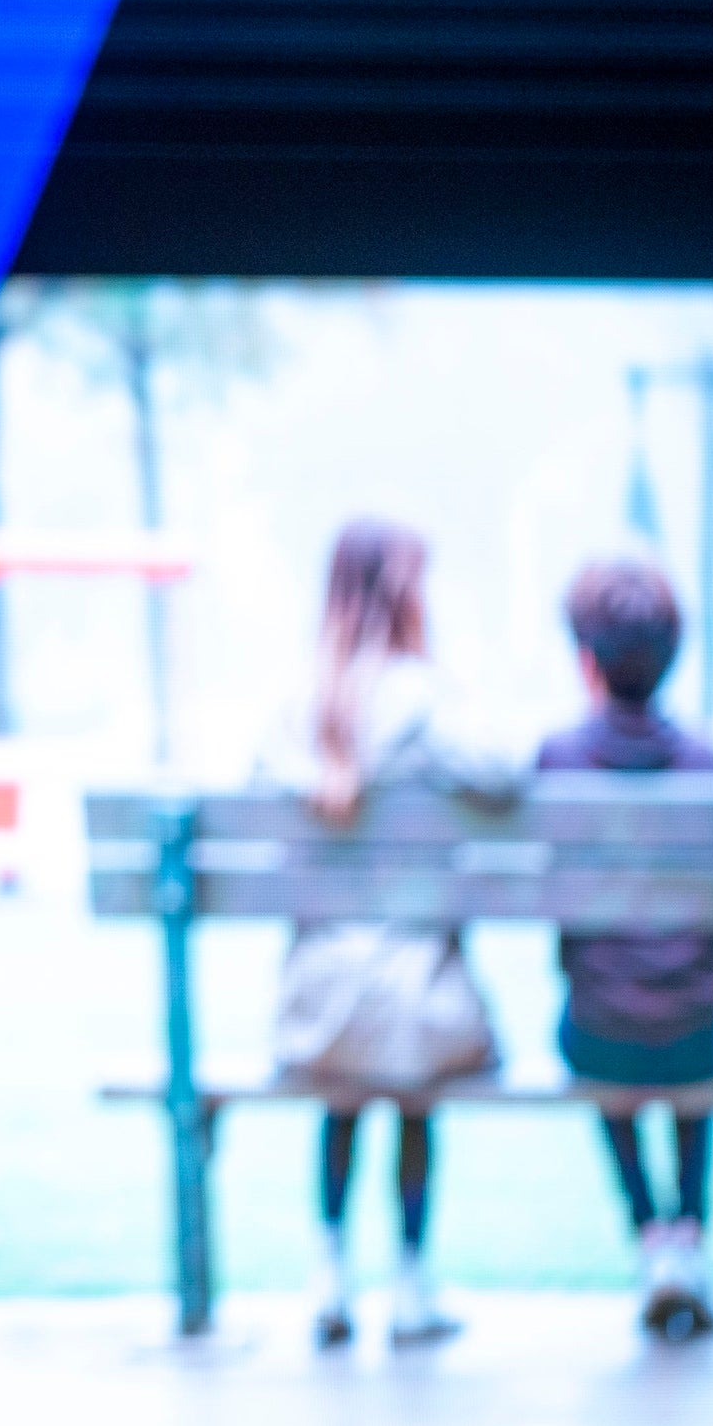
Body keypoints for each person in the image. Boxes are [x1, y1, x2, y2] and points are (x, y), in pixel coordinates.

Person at [265, 519, 520, 1349]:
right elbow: (503, 773)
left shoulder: (296, 697)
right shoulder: (425, 695)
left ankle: (327, 1273)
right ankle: (411, 1281)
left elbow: (258, 782)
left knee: (346, 1089)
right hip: (418, 998)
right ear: (403, 594)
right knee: (410, 1080)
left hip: (319, 1004)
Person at [538, 557, 713, 1340]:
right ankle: (684, 1232)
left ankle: (650, 1232)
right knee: (696, 1026)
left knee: (605, 1022)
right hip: (693, 1034)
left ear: (585, 659)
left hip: (597, 1037)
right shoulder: (702, 760)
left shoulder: (557, 758)